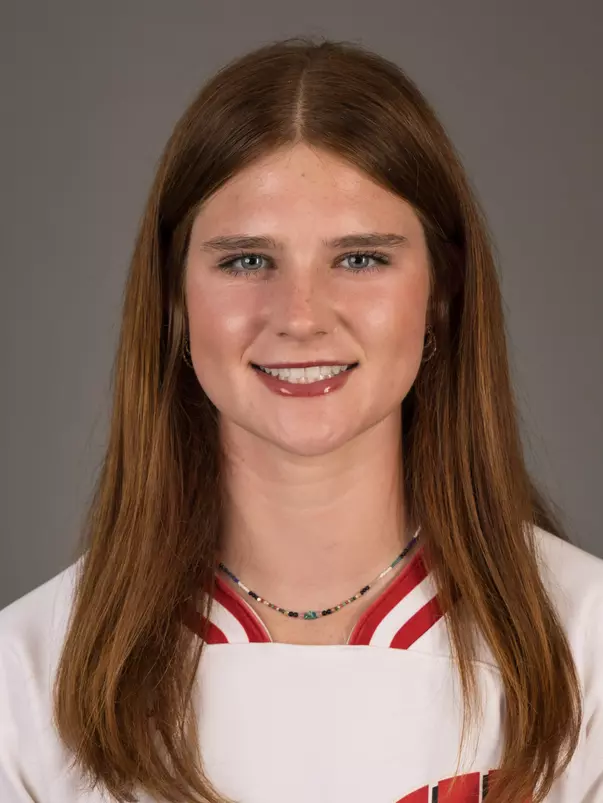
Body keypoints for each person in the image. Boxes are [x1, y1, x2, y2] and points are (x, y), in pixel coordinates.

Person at [0, 35, 601, 803]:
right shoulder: (28, 678)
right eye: (246, 260)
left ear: (442, 293)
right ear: (176, 299)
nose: (300, 317)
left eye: (360, 258)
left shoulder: (585, 652)